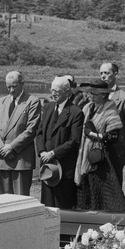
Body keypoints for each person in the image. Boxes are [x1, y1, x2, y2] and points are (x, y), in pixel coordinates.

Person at [73, 79, 125, 212]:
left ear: (103, 95)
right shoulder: (87, 108)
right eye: (89, 93)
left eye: (94, 94)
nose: (90, 96)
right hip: (85, 157)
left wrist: (93, 134)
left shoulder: (110, 110)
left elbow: (113, 136)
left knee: (103, 194)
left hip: (101, 160)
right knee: (86, 192)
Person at [35, 76, 84, 209]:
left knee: (63, 204)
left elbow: (74, 141)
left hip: (64, 166)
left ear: (67, 91)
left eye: (57, 91)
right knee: (47, 204)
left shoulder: (76, 112)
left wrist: (53, 153)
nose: (53, 93)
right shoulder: (48, 107)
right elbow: (39, 133)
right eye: (52, 90)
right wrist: (42, 152)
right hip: (47, 164)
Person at [0, 70, 41, 196]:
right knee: (3, 199)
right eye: (8, 87)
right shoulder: (1, 102)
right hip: (3, 158)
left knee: (20, 198)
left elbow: (31, 129)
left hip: (21, 158)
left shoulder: (32, 101)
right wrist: (1, 147)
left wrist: (11, 147)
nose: (11, 90)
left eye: (14, 86)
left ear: (22, 84)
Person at [98, 62, 125, 191]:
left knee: (115, 185)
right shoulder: (95, 97)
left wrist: (121, 144)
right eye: (101, 73)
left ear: (115, 74)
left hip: (115, 149)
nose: (103, 76)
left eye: (106, 73)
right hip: (96, 148)